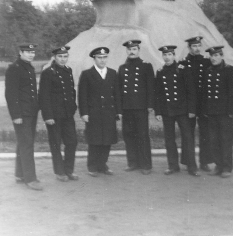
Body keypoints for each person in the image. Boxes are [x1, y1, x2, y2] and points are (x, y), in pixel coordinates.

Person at [155, 46, 200, 176]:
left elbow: (191, 91)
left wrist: (192, 110)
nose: (167, 57)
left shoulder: (183, 70)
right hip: (167, 111)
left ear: (174, 55)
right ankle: (173, 166)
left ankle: (192, 167)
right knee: (169, 139)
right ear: (162, 56)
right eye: (165, 55)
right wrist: (158, 111)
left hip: (183, 110)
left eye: (170, 54)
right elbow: (158, 94)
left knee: (187, 138)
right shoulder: (160, 71)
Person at [78, 47, 121, 177]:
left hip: (109, 113)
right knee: (94, 140)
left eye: (104, 57)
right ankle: (92, 166)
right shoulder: (87, 74)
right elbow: (82, 95)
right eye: (99, 58)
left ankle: (103, 165)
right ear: (94, 59)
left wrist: (119, 111)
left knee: (107, 140)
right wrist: (84, 113)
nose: (102, 60)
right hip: (94, 113)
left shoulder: (113, 73)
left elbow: (117, 94)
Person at [5, 43, 42, 191]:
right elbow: (11, 94)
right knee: (27, 144)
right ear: (20, 52)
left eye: (33, 52)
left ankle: (20, 174)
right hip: (22, 114)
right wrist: (16, 115)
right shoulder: (15, 68)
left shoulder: (28, 67)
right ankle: (30, 179)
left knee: (23, 143)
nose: (31, 55)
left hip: (31, 112)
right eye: (28, 52)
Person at [39, 46, 78, 182]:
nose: (63, 59)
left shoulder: (68, 70)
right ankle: (60, 172)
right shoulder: (48, 73)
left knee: (72, 142)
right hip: (54, 116)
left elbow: (71, 91)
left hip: (67, 114)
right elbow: (44, 96)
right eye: (60, 56)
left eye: (65, 56)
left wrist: (73, 107)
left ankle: (69, 170)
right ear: (54, 57)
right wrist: (48, 116)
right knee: (56, 144)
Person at [202, 46, 233, 178]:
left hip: (225, 112)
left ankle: (227, 167)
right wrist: (206, 110)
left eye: (216, 55)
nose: (213, 58)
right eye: (211, 56)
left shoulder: (229, 70)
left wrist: (231, 111)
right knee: (214, 140)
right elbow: (205, 93)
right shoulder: (208, 71)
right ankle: (218, 165)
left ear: (221, 56)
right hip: (212, 112)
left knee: (225, 139)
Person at [118, 40, 154, 175]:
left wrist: (150, 105)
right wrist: (119, 109)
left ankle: (146, 165)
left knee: (142, 135)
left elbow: (151, 87)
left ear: (138, 50)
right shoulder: (122, 68)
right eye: (129, 49)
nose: (131, 52)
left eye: (134, 49)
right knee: (128, 135)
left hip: (141, 107)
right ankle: (132, 162)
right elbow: (119, 89)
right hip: (127, 108)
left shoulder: (146, 66)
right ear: (126, 51)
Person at [179, 36, 213, 171]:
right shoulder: (183, 63)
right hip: (189, 105)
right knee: (188, 134)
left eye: (199, 46)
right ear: (189, 48)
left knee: (205, 133)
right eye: (194, 46)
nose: (197, 48)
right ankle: (189, 162)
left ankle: (205, 161)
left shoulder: (206, 62)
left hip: (204, 104)